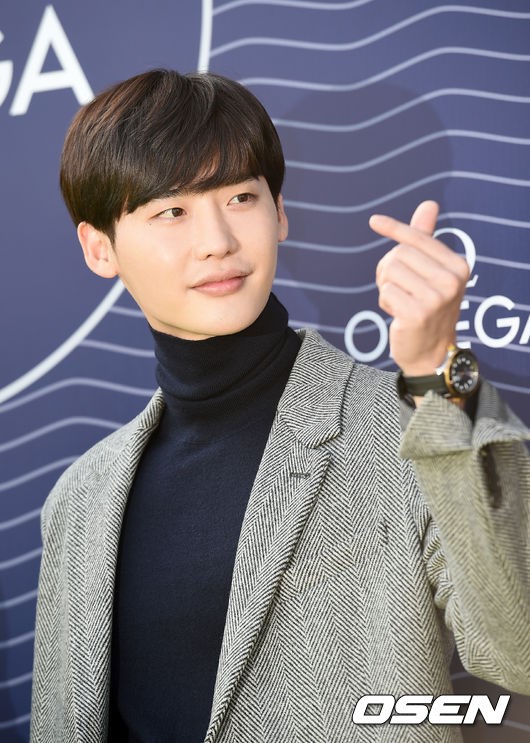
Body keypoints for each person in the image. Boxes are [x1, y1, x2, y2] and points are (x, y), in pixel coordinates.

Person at [30, 69, 529, 743]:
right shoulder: (79, 499)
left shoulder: (403, 424)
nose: (218, 240)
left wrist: (440, 369)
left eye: (241, 197)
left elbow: (519, 647)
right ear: (100, 248)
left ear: (280, 213)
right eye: (172, 211)